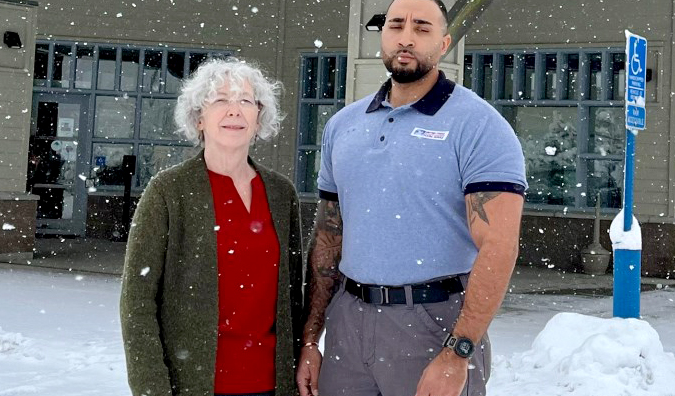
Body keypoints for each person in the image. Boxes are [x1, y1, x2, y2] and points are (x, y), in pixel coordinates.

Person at [296, 0, 527, 395]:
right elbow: (327, 239)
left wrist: (458, 353)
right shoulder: (343, 127)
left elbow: (499, 247)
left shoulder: (480, 126)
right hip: (348, 326)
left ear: (444, 43)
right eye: (396, 26)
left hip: (434, 322)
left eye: (422, 28)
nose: (406, 38)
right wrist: (309, 340)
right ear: (382, 36)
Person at [120, 58, 304, 396]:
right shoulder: (168, 191)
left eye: (245, 101)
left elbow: (292, 299)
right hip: (194, 384)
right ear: (199, 117)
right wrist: (152, 388)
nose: (234, 110)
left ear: (259, 116)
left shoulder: (281, 194)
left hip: (271, 384)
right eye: (221, 99)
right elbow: (137, 304)